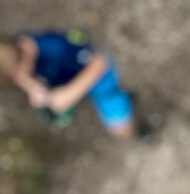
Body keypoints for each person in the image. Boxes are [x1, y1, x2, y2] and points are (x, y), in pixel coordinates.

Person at [8, 28, 139, 140]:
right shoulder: (17, 53)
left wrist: (70, 93)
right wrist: (32, 88)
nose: (22, 80)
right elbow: (19, 76)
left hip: (100, 79)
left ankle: (134, 127)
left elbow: (99, 62)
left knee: (120, 129)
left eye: (23, 75)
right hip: (71, 80)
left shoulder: (55, 48)